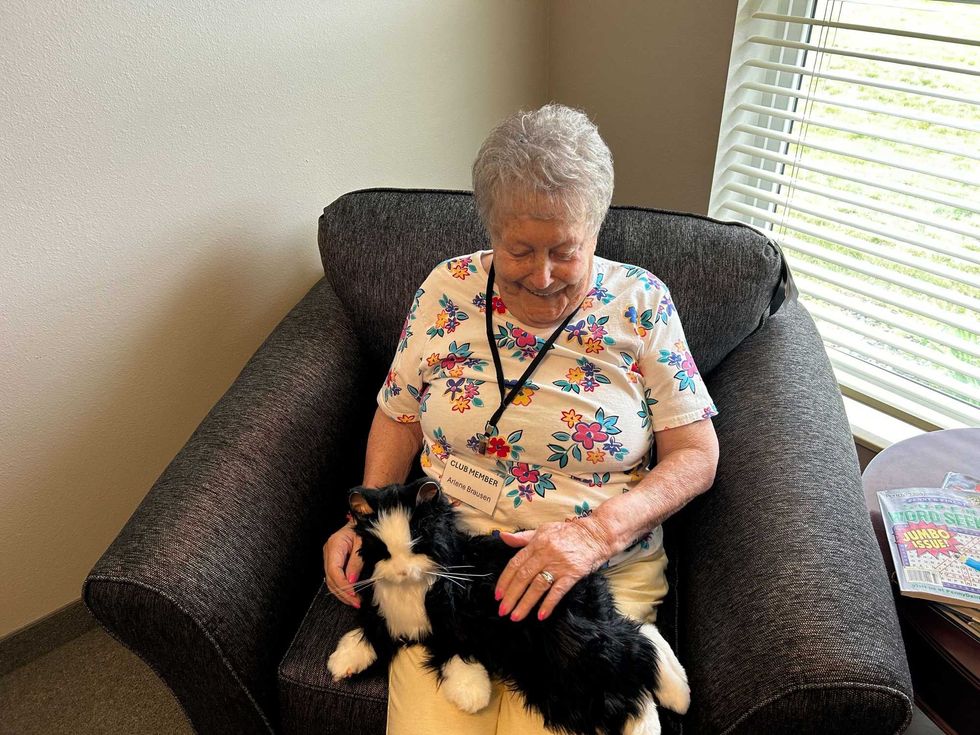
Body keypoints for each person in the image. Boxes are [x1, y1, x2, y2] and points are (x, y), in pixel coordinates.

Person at [323, 103, 720, 734]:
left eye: (565, 251)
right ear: (491, 231)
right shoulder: (445, 290)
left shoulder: (642, 303)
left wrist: (596, 535)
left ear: (596, 231)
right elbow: (398, 414)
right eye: (520, 250)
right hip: (446, 567)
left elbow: (697, 454)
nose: (542, 275)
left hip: (590, 570)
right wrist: (363, 518)